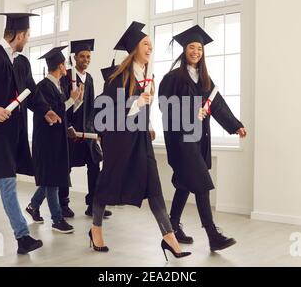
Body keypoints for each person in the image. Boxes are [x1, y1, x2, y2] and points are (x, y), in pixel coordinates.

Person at [0, 13, 62, 255]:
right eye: (27, 36)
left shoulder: (21, 62)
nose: (27, 40)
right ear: (19, 34)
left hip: (10, 133)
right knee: (7, 180)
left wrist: (46, 110)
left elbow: (32, 92)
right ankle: (23, 237)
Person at [90, 22, 191, 261]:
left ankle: (169, 237)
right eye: (146, 43)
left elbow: (142, 108)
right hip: (119, 140)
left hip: (140, 139)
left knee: (154, 186)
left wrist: (147, 124)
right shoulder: (118, 76)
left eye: (151, 44)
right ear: (134, 48)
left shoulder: (147, 75)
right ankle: (96, 229)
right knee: (107, 184)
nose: (150, 48)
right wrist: (136, 103)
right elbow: (108, 111)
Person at [158, 25, 247, 252]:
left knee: (185, 184)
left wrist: (235, 125)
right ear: (184, 50)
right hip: (181, 140)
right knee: (202, 183)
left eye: (199, 48)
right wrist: (190, 112)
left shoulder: (205, 79)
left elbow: (217, 105)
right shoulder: (173, 78)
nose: (196, 51)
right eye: (192, 47)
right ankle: (212, 234)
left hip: (198, 141)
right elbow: (164, 106)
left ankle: (172, 227)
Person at [25, 46, 82, 234]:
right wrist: (71, 100)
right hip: (47, 140)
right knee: (52, 179)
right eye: (65, 63)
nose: (66, 67)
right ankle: (57, 219)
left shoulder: (57, 86)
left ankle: (33, 206)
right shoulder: (43, 87)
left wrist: (74, 100)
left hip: (57, 138)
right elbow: (52, 113)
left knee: (52, 179)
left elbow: (62, 112)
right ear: (60, 66)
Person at [58, 39, 112, 219]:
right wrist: (68, 126)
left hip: (86, 130)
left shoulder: (89, 78)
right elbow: (62, 103)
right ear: (74, 58)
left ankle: (93, 204)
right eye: (82, 56)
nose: (86, 59)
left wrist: (95, 130)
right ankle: (62, 204)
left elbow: (89, 107)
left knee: (94, 164)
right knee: (65, 167)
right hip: (70, 130)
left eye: (88, 57)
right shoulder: (66, 77)